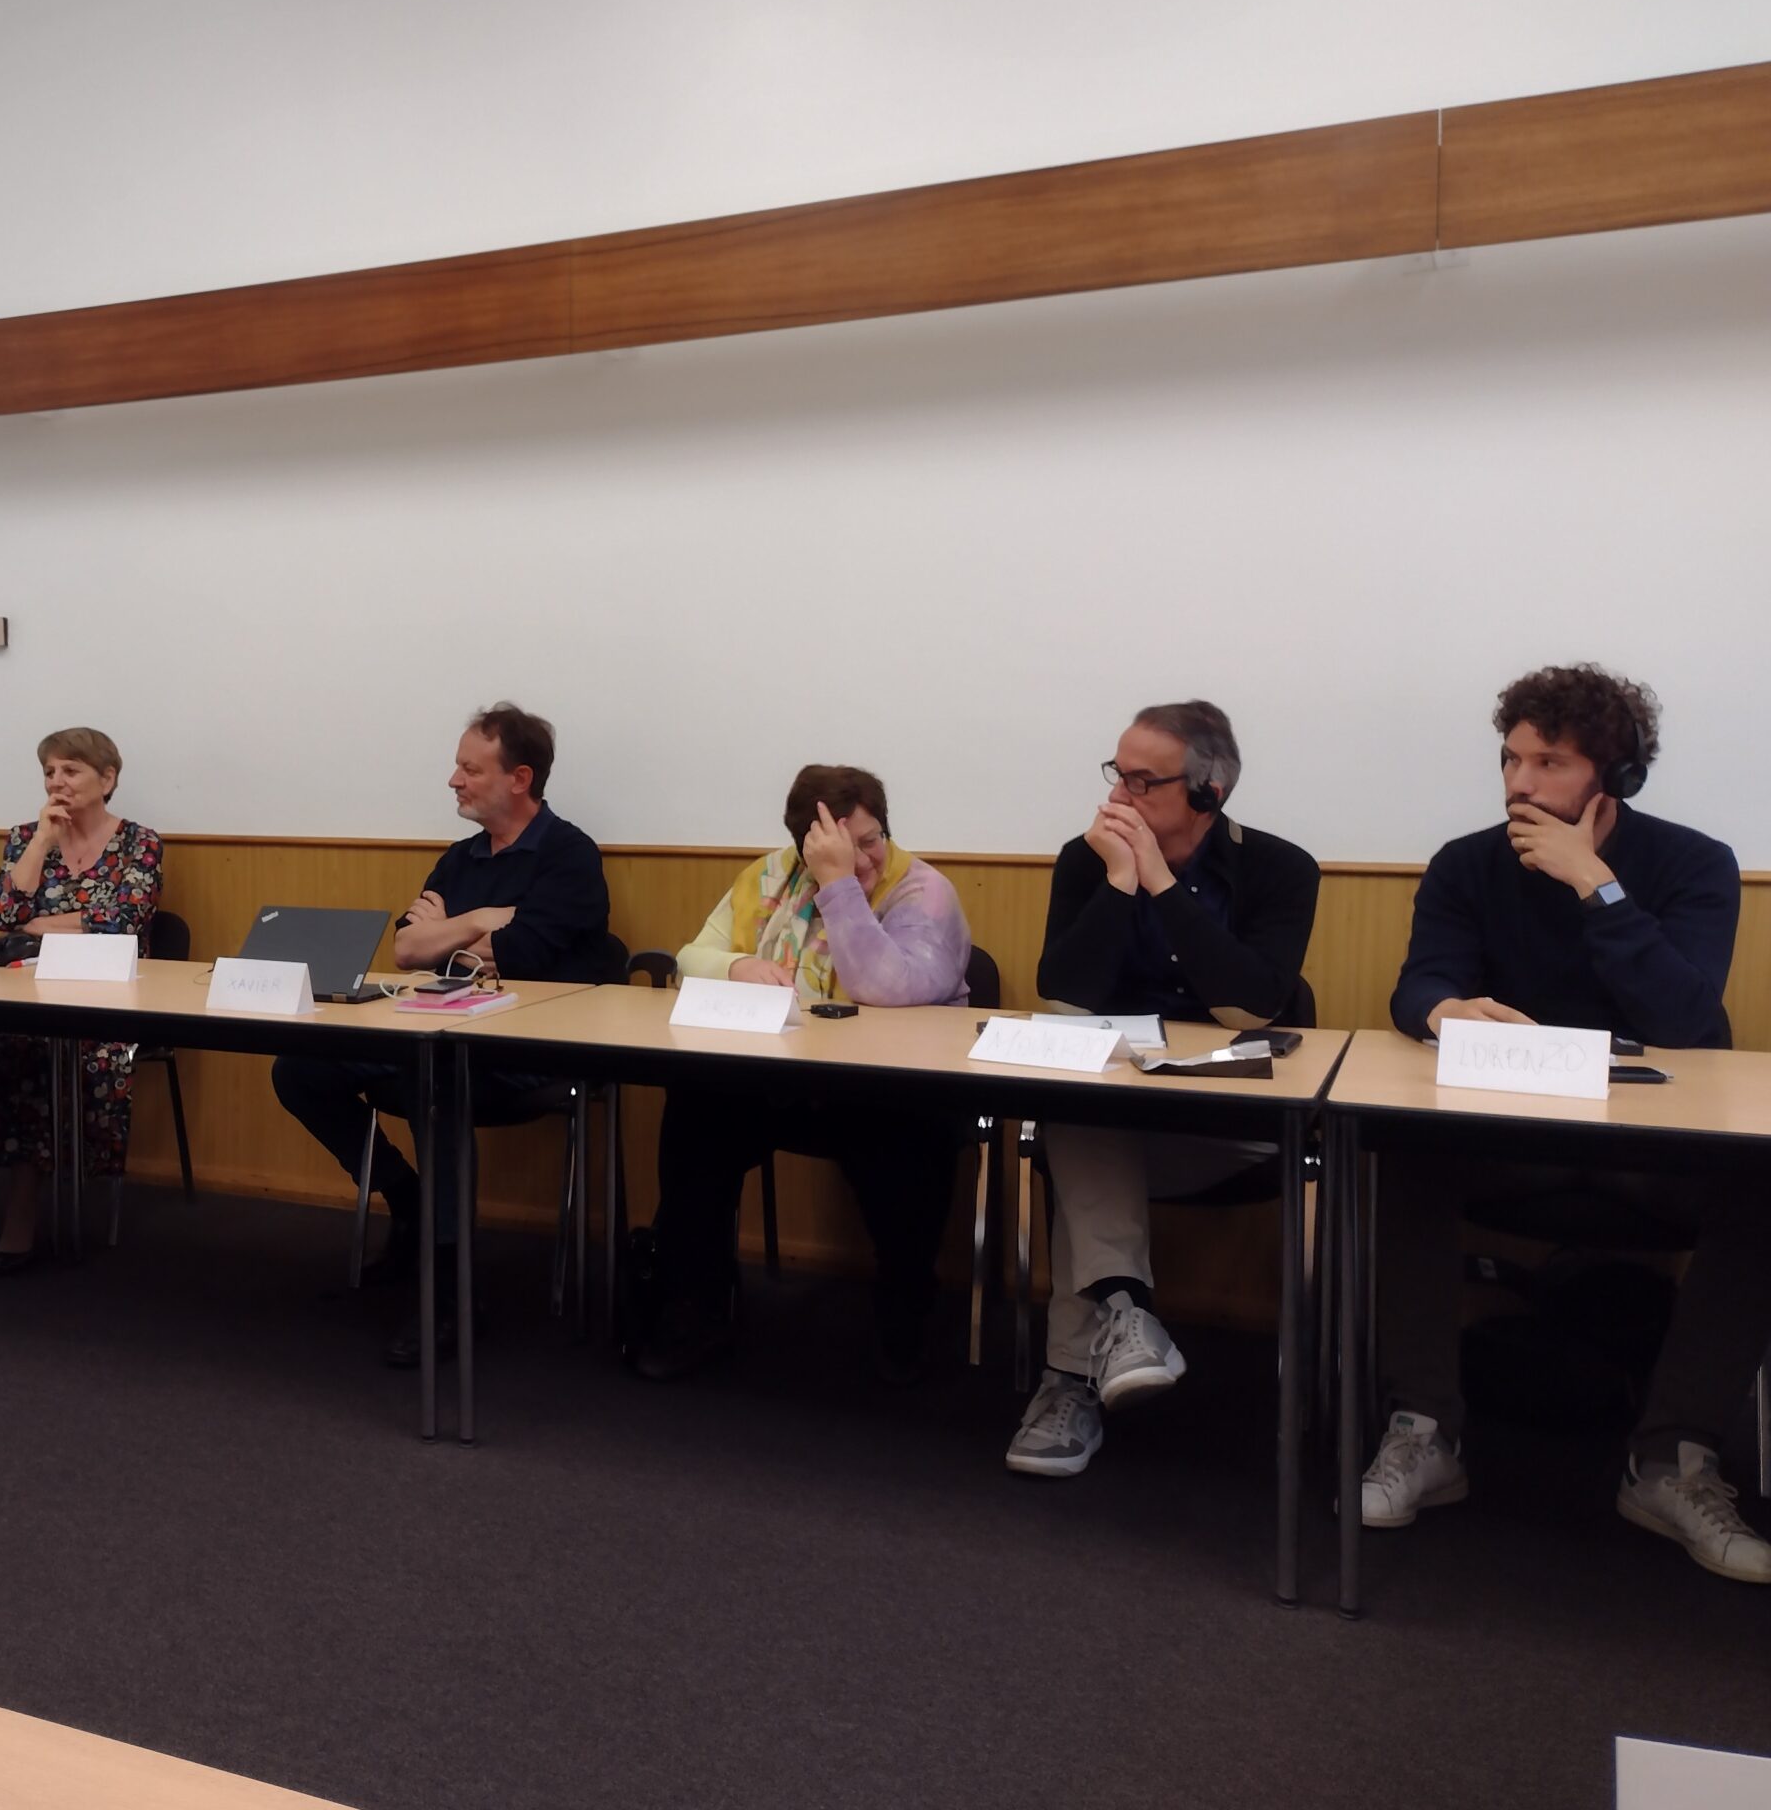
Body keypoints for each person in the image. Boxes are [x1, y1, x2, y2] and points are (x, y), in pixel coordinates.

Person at [1361, 664, 1768, 1581]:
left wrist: (1597, 886)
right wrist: (1443, 1011)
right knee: (1397, 1148)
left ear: (1613, 776)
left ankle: (1672, 1461)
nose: (1520, 782)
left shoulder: (1694, 865)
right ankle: (1423, 1431)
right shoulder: (1468, 863)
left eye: (1548, 762)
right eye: (1511, 759)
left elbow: (1690, 1023)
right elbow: (1419, 983)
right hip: (1511, 1140)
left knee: (1759, 1184)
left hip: (1651, 1151)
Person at [1005, 701, 1320, 1477]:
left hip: (1232, 1130)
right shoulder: (1087, 861)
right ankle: (1125, 1322)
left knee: (1083, 1140)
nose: (1121, 796)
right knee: (1077, 1110)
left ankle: (1072, 1372)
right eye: (1118, 774)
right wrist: (1119, 883)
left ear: (1210, 790)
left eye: (1145, 781)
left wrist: (1160, 882)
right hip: (1114, 1125)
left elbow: (1249, 1006)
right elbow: (1067, 996)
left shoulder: (1281, 869)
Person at [270, 703, 612, 1365]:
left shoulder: (569, 855)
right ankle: (407, 1198)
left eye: (469, 768)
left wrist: (452, 934)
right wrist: (482, 919)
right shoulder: (462, 858)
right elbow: (405, 949)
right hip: (443, 1027)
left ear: (519, 778)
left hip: (533, 1049)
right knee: (300, 1069)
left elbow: (525, 953)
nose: (453, 780)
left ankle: (453, 1290)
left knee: (435, 1084)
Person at [634, 765, 972, 1385]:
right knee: (696, 1107)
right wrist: (737, 966)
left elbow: (887, 987)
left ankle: (907, 1309)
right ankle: (696, 1303)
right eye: (839, 848)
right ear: (804, 846)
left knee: (910, 1139)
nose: (863, 859)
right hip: (786, 1078)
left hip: (890, 1090)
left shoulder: (923, 893)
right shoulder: (770, 879)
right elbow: (690, 957)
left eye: (870, 841)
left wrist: (839, 883)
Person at [0, 728, 162, 1273]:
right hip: (23, 991)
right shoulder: (26, 837)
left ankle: (22, 1208)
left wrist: (39, 921)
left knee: (40, 1056)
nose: (56, 781)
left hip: (103, 997)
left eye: (71, 770)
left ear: (107, 779)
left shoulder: (139, 843)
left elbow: (123, 920)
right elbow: (3, 914)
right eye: (49, 772)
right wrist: (43, 842)